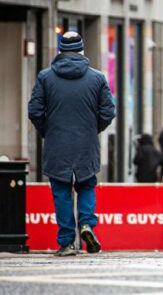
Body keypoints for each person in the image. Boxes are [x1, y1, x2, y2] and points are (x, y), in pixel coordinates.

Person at [27, 31, 116, 256]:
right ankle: (86, 224)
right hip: (86, 143)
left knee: (61, 191)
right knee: (86, 185)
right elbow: (108, 111)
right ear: (82, 50)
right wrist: (93, 129)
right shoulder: (97, 78)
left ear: (60, 50)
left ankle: (67, 241)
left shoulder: (45, 77)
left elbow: (34, 110)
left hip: (57, 144)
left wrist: (48, 130)